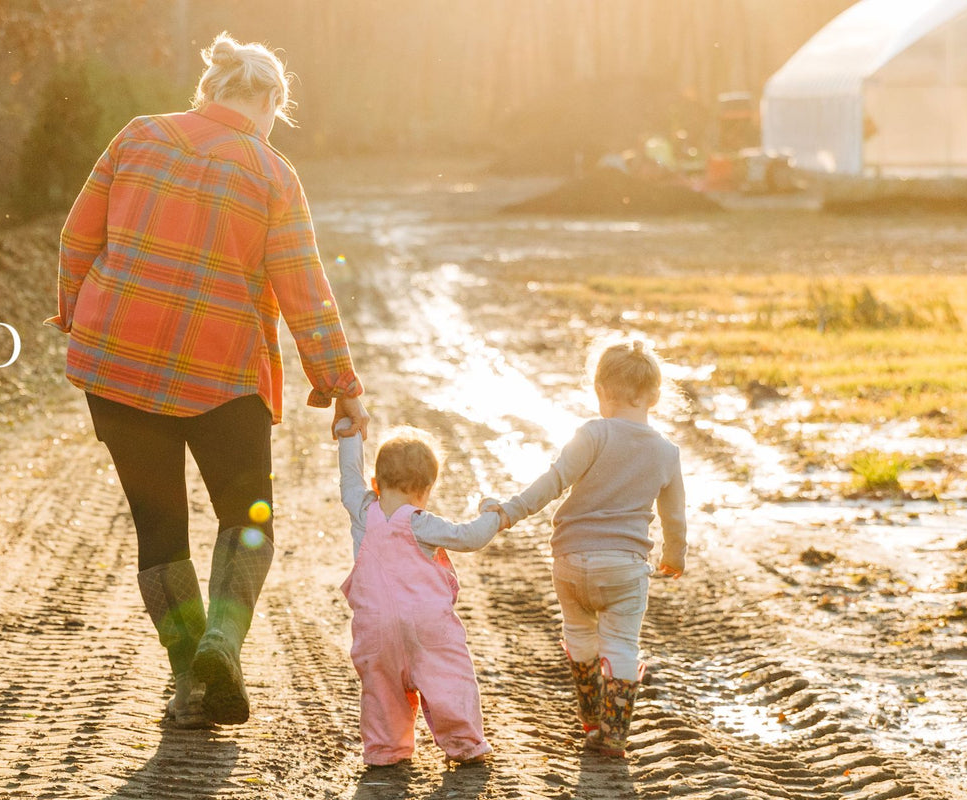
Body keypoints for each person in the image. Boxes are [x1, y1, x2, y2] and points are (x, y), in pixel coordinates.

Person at [48, 32, 369, 729]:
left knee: (159, 533)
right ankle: (221, 644)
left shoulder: (136, 138)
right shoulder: (272, 172)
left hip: (118, 365)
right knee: (247, 519)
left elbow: (78, 237)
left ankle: (189, 680)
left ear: (211, 89)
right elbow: (302, 290)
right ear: (271, 103)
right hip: (222, 372)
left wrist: (76, 309)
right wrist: (339, 380)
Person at [483, 340, 687, 757]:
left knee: (579, 636)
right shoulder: (667, 452)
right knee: (621, 645)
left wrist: (510, 512)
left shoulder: (593, 433)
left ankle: (591, 718)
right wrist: (674, 556)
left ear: (599, 390)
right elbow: (675, 517)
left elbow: (552, 481)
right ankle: (613, 733)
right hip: (626, 569)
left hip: (571, 562)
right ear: (655, 395)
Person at [337, 425, 502, 766]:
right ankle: (465, 742)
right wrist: (493, 515)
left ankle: (386, 749)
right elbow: (469, 537)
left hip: (374, 628)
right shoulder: (420, 522)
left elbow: (348, 477)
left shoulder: (362, 512)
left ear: (375, 483)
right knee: (449, 679)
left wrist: (349, 435)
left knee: (382, 690)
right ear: (425, 491)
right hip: (429, 626)